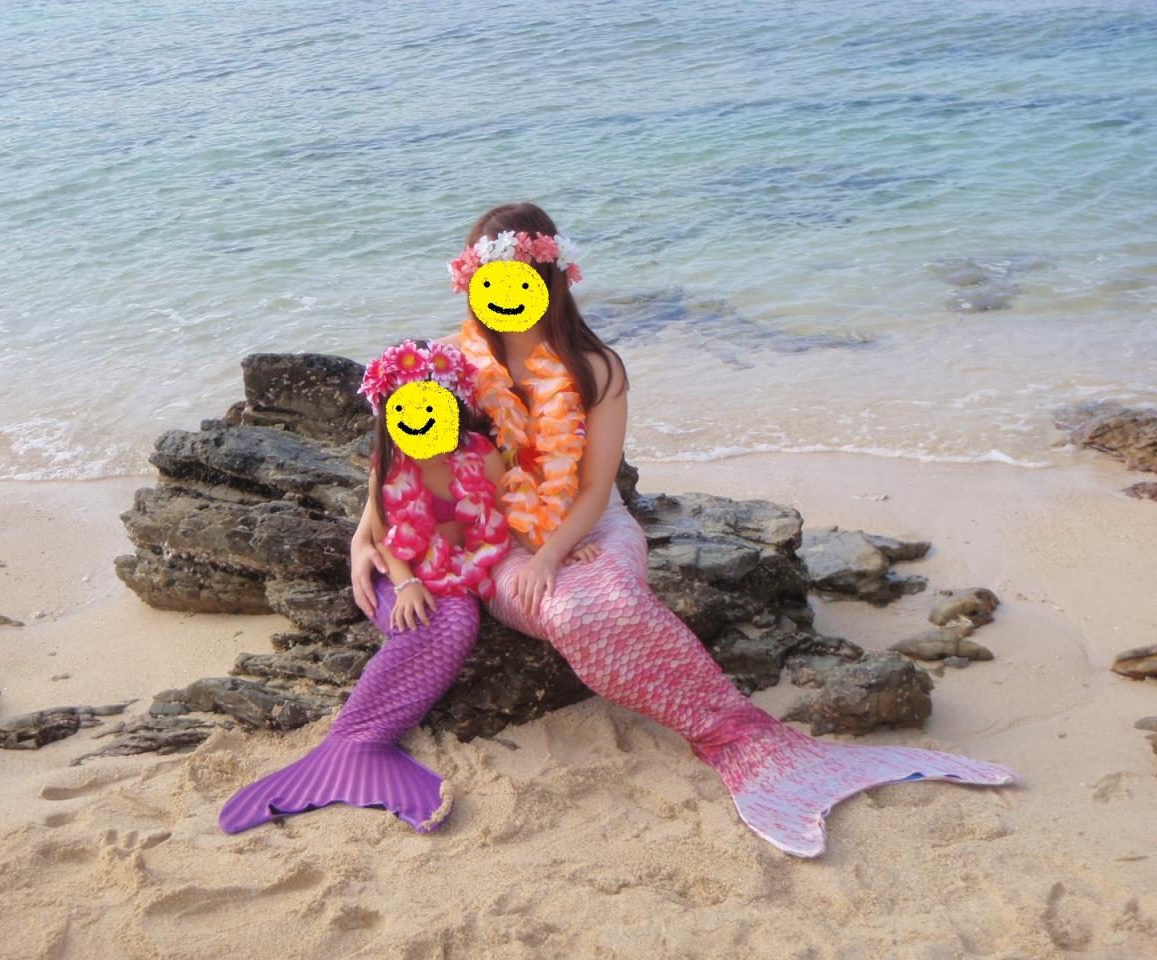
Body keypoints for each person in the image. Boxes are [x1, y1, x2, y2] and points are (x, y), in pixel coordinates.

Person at [350, 202, 1016, 857]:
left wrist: (552, 553)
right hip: (492, 543)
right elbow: (398, 461)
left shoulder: (596, 367)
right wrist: (364, 539)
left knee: (609, 601)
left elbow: (594, 489)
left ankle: (740, 737)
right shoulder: (449, 364)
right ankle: (734, 738)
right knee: (570, 611)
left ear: (549, 279)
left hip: (589, 524)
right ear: (471, 282)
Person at [220, 339, 509, 834]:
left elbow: (510, 514)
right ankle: (357, 741)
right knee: (433, 622)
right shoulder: (391, 467)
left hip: (459, 569)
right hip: (397, 571)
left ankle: (362, 743)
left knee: (457, 617)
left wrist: (562, 550)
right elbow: (383, 538)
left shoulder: (481, 456)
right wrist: (407, 581)